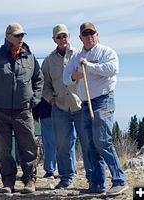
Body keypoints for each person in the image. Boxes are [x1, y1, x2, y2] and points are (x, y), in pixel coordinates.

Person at [63, 22, 129, 197]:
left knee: (102, 141)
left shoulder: (107, 52)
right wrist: (75, 75)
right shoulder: (76, 57)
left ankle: (119, 180)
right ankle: (97, 184)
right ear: (80, 38)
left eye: (92, 33)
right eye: (85, 34)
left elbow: (112, 69)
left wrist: (89, 67)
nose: (89, 37)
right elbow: (65, 78)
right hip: (84, 104)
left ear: (97, 35)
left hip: (103, 101)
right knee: (90, 145)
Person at [0, 22, 44, 194]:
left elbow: (39, 80)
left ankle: (29, 181)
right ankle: (8, 183)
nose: (21, 38)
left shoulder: (29, 57)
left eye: (22, 35)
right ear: (8, 36)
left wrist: (34, 100)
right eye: (17, 35)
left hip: (23, 110)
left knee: (29, 146)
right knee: (3, 148)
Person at [41, 24, 92, 189]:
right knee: (62, 145)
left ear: (69, 36)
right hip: (60, 108)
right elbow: (44, 84)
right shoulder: (48, 61)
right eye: (58, 37)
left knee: (86, 142)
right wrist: (51, 99)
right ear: (54, 40)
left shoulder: (80, 54)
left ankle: (92, 177)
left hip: (80, 105)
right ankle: (66, 177)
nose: (62, 39)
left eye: (64, 36)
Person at [32, 97, 57, 178]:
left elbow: (37, 94)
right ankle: (70, 169)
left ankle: (50, 170)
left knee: (49, 143)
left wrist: (35, 113)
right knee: (68, 141)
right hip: (66, 108)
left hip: (45, 110)